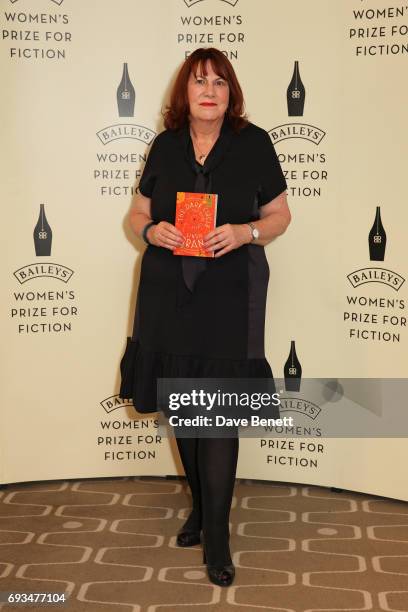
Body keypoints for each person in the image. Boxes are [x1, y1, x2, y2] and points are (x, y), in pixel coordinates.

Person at [120, 47, 291, 587]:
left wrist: (246, 232)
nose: (209, 90)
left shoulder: (254, 143)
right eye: (199, 81)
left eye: (219, 81)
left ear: (230, 91)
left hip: (230, 294)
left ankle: (217, 536)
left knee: (215, 415)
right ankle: (200, 508)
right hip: (168, 293)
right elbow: (138, 212)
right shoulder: (166, 146)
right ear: (185, 92)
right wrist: (151, 232)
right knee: (186, 413)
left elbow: (281, 213)